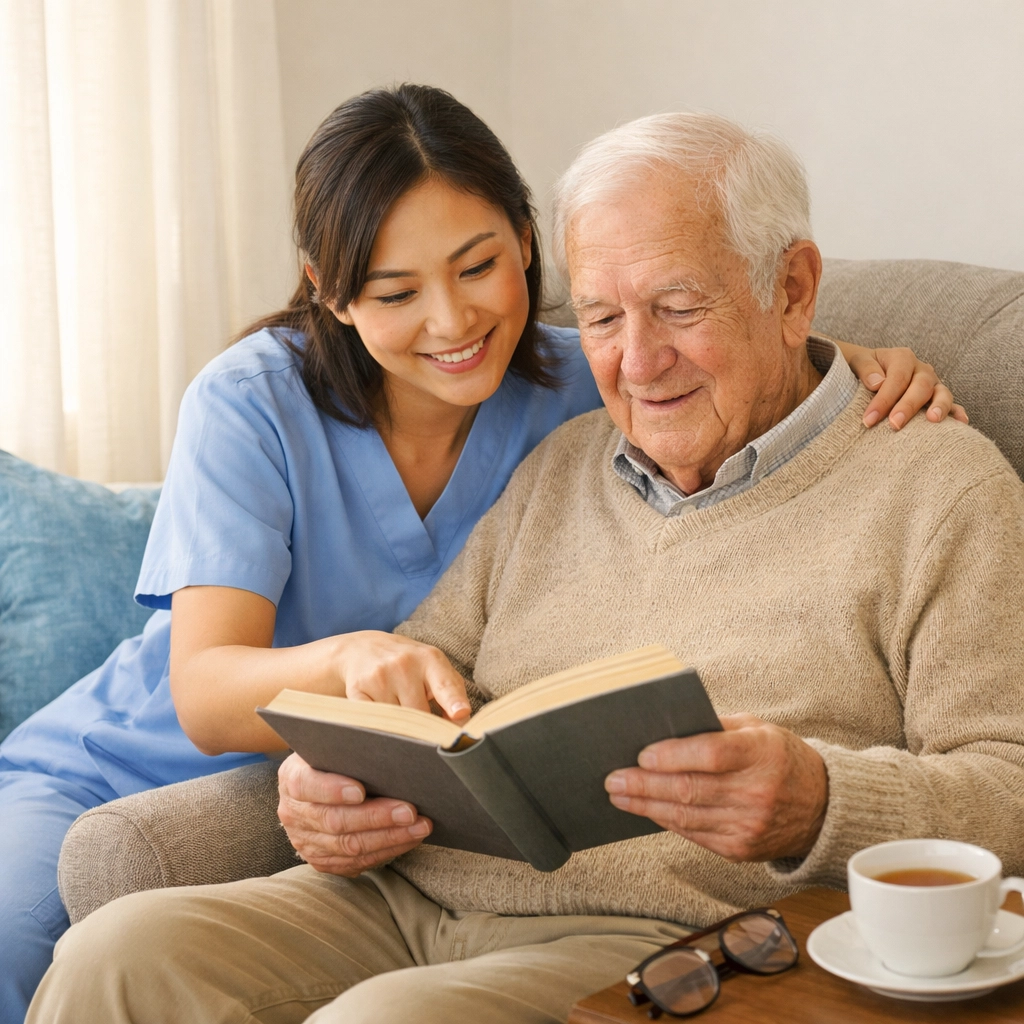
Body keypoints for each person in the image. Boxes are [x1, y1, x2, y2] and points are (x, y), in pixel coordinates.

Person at [4, 92, 960, 1024]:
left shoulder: (585, 391)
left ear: (525, 245)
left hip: (614, 910)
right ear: (331, 292)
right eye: (396, 292)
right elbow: (217, 692)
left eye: (477, 267)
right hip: (136, 754)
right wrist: (330, 735)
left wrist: (849, 362)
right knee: (81, 950)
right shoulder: (268, 402)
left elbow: (729, 358)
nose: (454, 322)